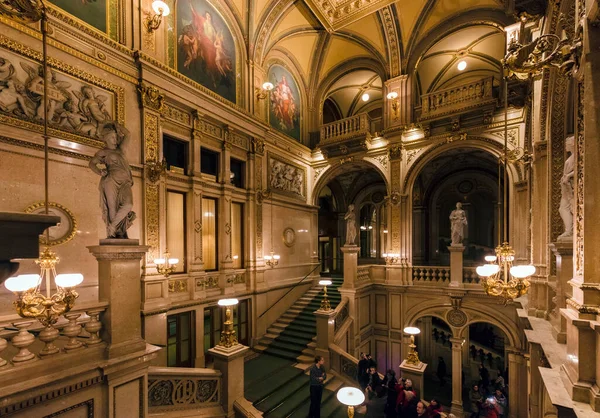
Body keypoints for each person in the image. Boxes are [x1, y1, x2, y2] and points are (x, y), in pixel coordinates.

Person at [89, 122, 136, 239]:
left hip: (125, 182)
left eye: (116, 137)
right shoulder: (103, 153)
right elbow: (91, 164)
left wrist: (118, 126)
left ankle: (112, 226)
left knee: (128, 204)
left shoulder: (121, 149)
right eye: (113, 137)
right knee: (112, 207)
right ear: (106, 138)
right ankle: (114, 233)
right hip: (111, 181)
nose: (115, 139)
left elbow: (128, 134)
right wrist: (99, 171)